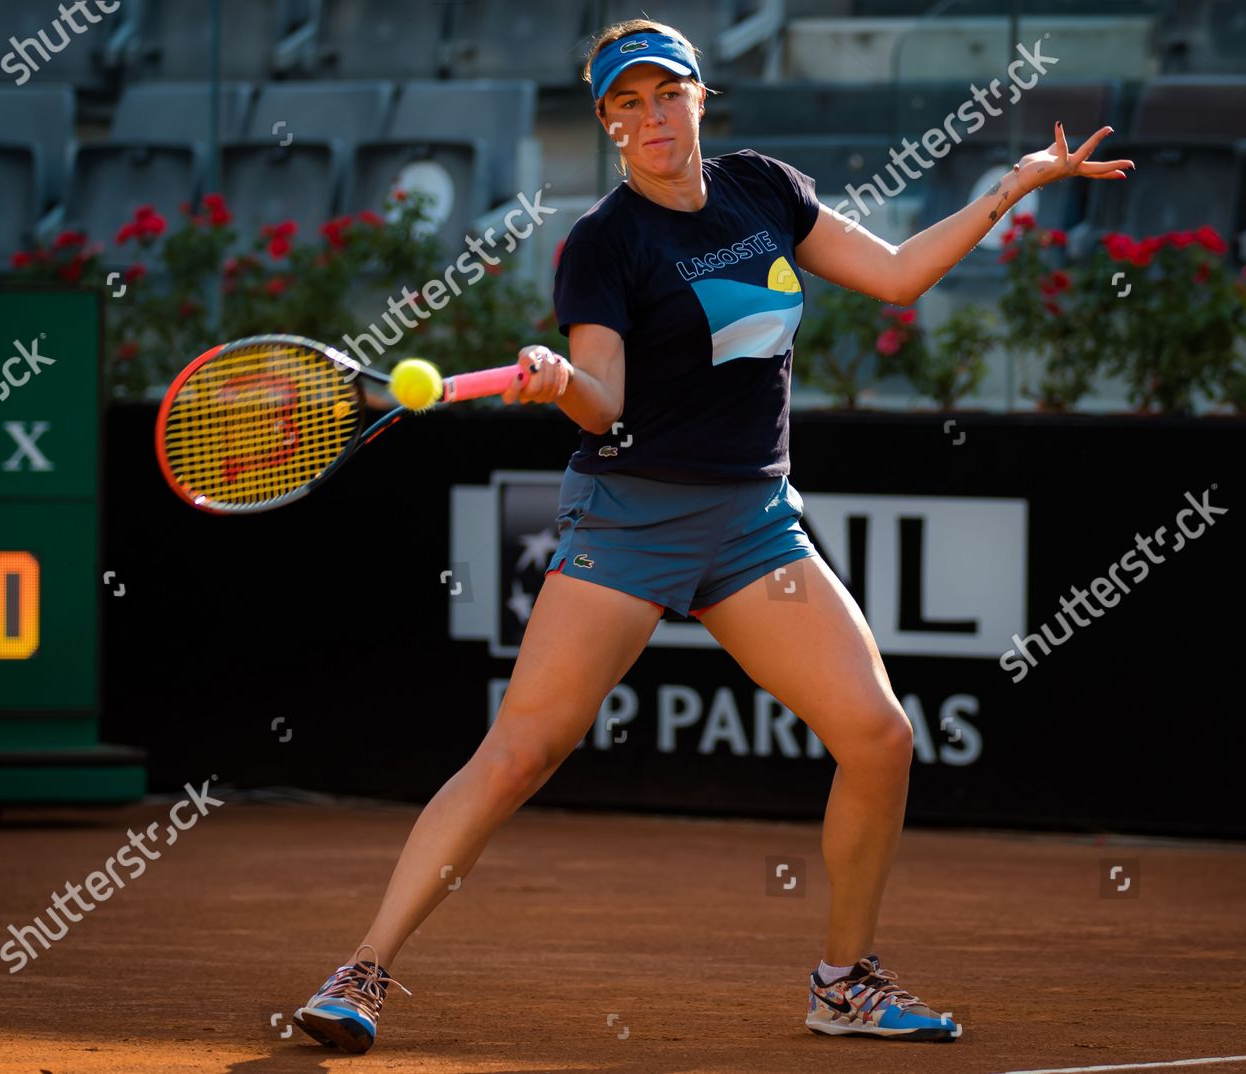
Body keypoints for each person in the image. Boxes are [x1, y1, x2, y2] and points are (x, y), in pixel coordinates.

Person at [293, 18, 1132, 1054]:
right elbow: (604, 404)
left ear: (700, 98)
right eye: (627, 104)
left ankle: (844, 983)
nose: (651, 117)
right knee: (519, 754)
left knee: (878, 739)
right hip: (631, 517)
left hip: (751, 525)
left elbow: (902, 275)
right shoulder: (604, 244)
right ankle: (363, 970)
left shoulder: (765, 189)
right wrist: (559, 383)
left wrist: (1015, 185)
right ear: (607, 124)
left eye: (666, 95)